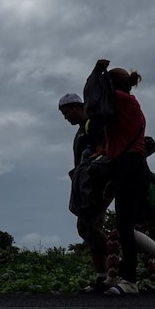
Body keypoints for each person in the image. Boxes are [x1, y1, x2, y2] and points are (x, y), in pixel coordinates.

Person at [91, 60, 155, 295]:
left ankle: (130, 281)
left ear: (112, 85)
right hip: (130, 168)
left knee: (124, 227)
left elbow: (93, 99)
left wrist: (96, 72)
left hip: (131, 167)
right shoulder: (126, 104)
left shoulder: (121, 100)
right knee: (125, 228)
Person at [58, 92, 113, 294]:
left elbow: (102, 149)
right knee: (90, 227)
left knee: (85, 225)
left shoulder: (92, 123)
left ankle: (118, 264)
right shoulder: (81, 129)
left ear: (76, 107)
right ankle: (104, 276)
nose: (66, 117)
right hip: (86, 184)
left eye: (67, 112)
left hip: (96, 184)